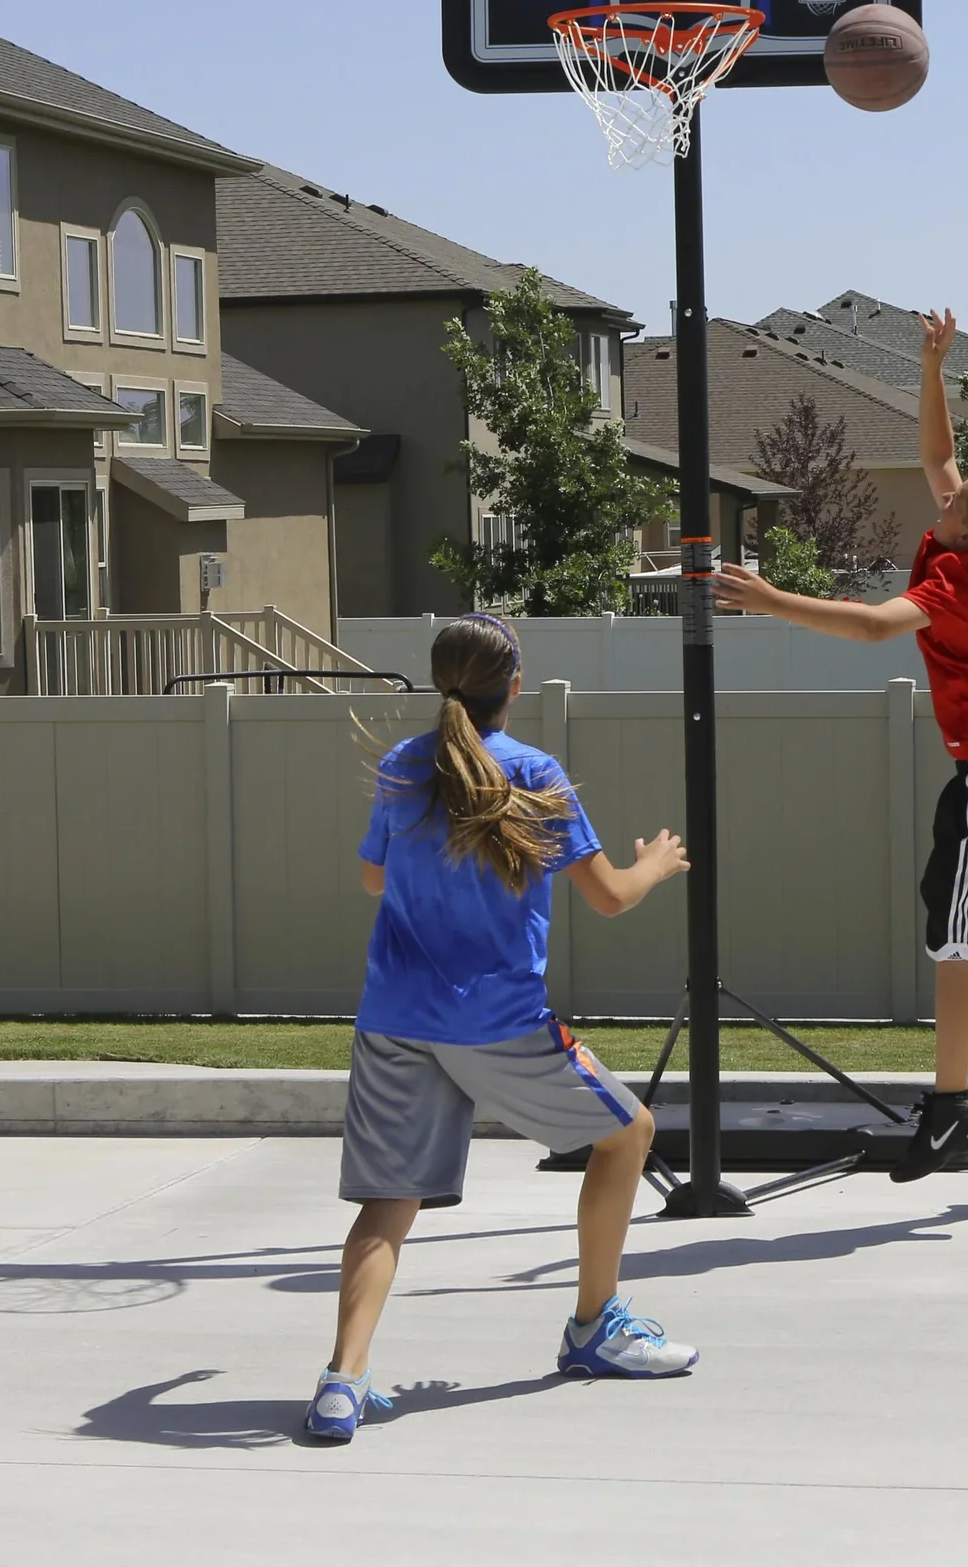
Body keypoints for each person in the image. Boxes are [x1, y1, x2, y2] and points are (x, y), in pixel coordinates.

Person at [305, 613, 696, 1443]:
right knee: (629, 1132)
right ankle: (595, 1328)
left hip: (396, 1020)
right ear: (513, 688)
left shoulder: (406, 768)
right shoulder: (533, 772)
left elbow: (373, 877)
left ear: (441, 681)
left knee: (386, 1205)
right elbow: (611, 896)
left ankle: (342, 1381)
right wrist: (655, 864)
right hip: (498, 1023)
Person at [714, 309, 968, 1181]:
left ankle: (952, 1113)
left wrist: (771, 601)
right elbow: (941, 458)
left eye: (951, 509)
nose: (939, 501)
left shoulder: (960, 584)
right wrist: (930, 368)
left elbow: (876, 627)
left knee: (953, 943)